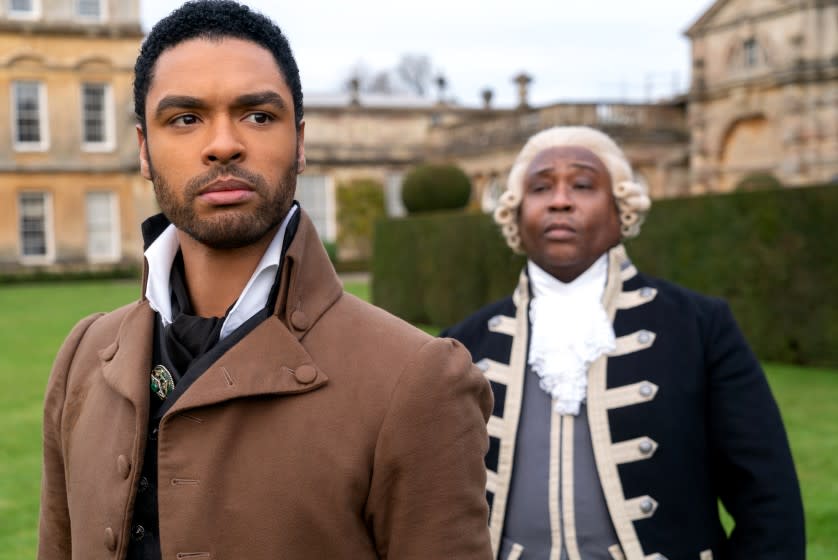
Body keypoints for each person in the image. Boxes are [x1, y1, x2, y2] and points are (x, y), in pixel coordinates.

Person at [38, 2, 494, 558]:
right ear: (143, 151)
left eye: (257, 115)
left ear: (300, 143)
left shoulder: (418, 379)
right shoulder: (84, 356)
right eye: (185, 118)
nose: (223, 143)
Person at [441, 126, 805, 560]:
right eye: (540, 187)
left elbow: (769, 499)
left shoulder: (700, 327)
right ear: (516, 213)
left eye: (582, 185)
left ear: (621, 210)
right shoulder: (464, 344)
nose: (560, 200)